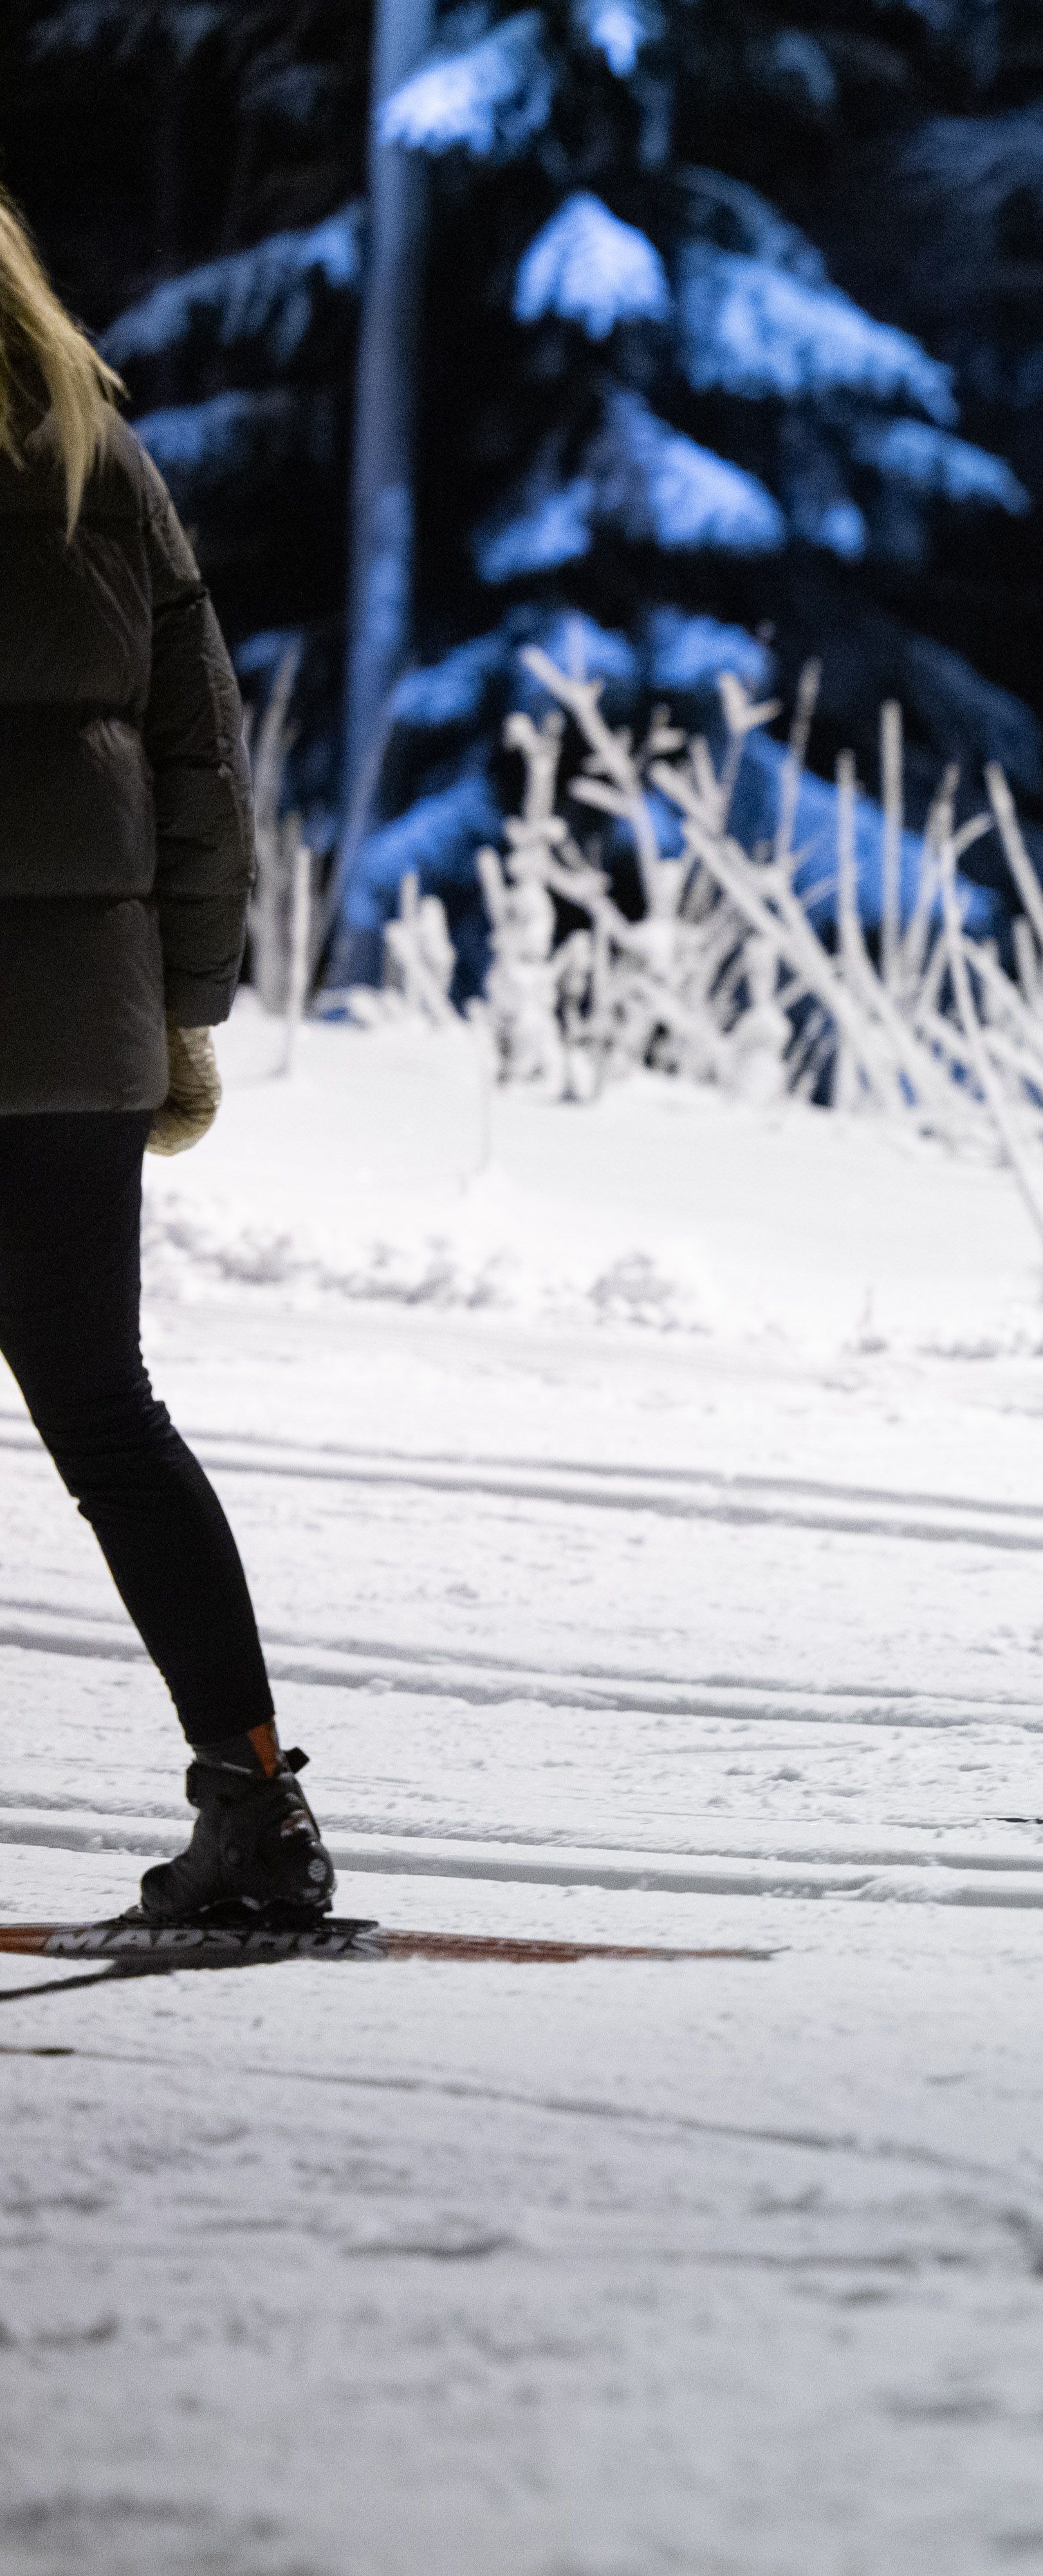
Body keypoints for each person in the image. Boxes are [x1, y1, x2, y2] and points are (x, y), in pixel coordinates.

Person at [0, 185, 331, 1928]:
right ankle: (258, 1810)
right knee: (109, 1421)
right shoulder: (100, 466)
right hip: (73, 1049)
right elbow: (204, 763)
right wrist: (178, 1007)